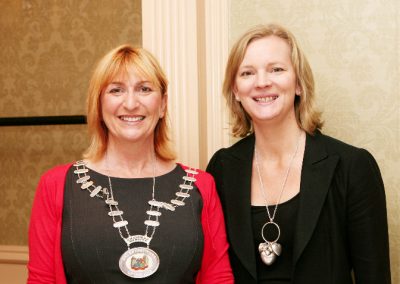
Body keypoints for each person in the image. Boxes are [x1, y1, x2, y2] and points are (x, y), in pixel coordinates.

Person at [28, 44, 233, 283]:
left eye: (144, 89)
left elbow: (218, 278)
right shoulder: (55, 185)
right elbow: (41, 279)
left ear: (163, 104)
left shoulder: (202, 186)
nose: (131, 103)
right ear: (99, 104)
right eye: (116, 90)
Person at [206, 24, 391, 283]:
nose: (262, 82)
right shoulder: (222, 168)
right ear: (236, 91)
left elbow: (374, 277)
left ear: (299, 84)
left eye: (277, 69)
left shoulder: (352, 167)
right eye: (247, 73)